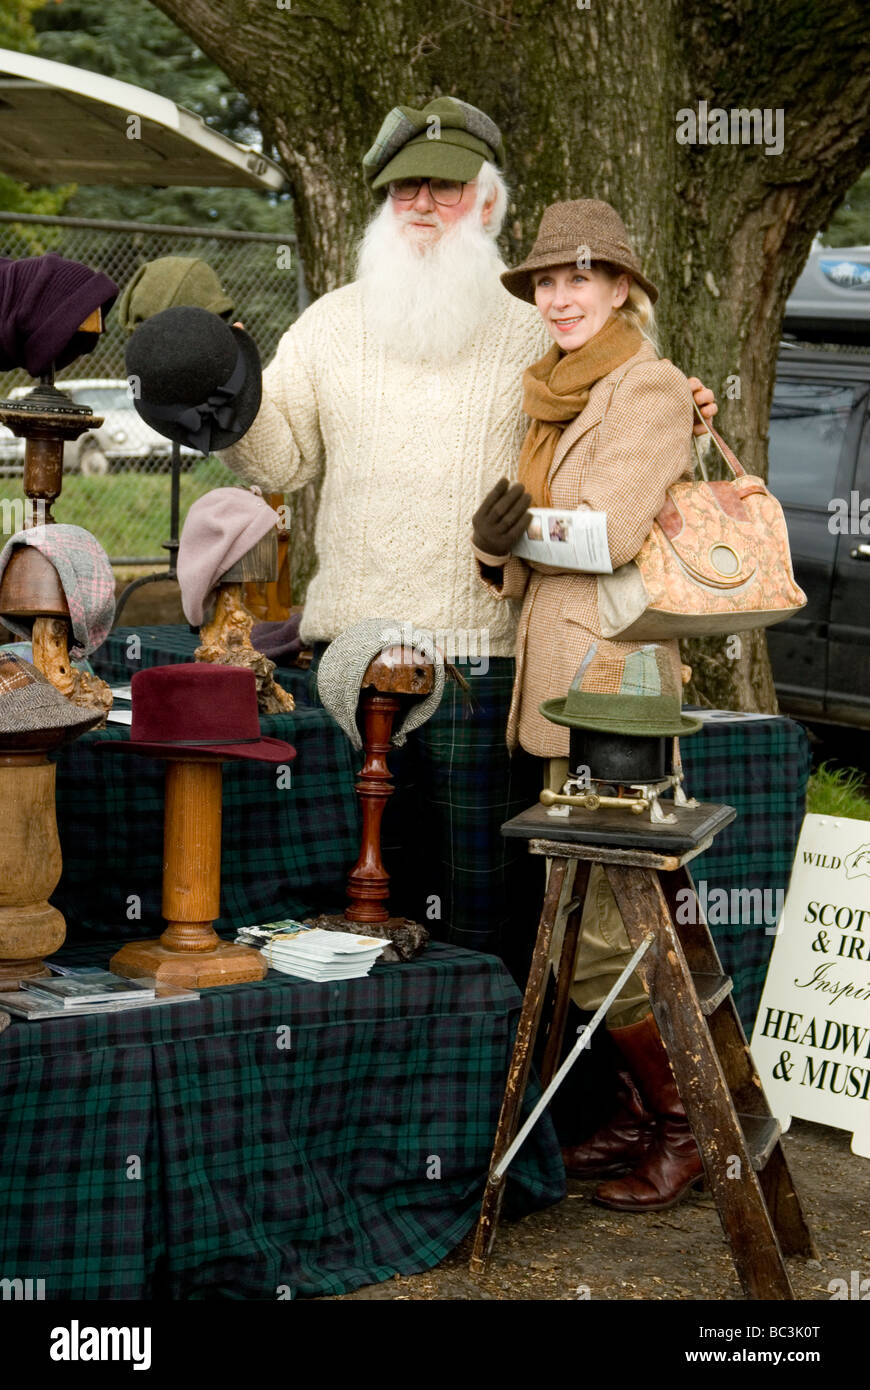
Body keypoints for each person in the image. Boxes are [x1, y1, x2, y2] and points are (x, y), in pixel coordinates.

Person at [218, 97, 716, 966]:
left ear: (486, 202)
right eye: (403, 186)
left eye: (442, 189)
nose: (419, 203)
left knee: (478, 918)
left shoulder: (545, 322)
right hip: (349, 659)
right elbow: (282, 460)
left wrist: (694, 406)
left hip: (487, 662)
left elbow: (631, 401)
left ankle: (482, 1087)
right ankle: (366, 1083)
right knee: (344, 919)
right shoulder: (330, 322)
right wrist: (226, 400)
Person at [470, 198, 706, 1212]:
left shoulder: (646, 386)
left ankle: (689, 1124)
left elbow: (607, 537)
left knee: (614, 931)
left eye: (580, 277)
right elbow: (524, 569)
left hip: (620, 701)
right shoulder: (553, 396)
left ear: (621, 287)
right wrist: (493, 540)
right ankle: (635, 1111)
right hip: (556, 698)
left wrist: (518, 534)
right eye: (546, 282)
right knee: (569, 928)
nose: (559, 296)